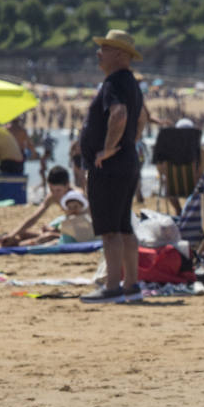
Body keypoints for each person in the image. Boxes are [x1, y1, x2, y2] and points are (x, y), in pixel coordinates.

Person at [80, 30, 144, 303]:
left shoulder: (115, 83)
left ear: (119, 54)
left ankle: (112, 286)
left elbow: (120, 114)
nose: (99, 53)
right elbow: (142, 118)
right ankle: (131, 285)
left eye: (105, 48)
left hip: (112, 164)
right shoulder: (131, 82)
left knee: (110, 231)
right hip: (127, 159)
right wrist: (129, 141)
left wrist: (106, 149)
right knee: (124, 227)